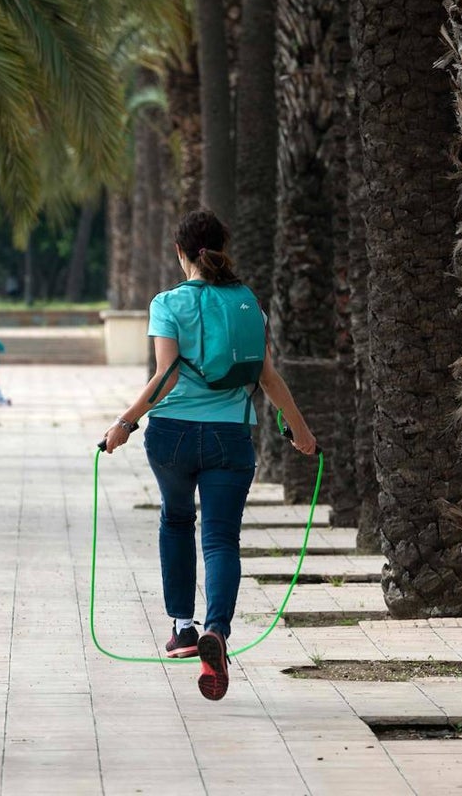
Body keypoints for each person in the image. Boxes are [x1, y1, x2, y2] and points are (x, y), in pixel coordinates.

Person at [101, 210, 316, 702]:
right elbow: (268, 378)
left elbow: (166, 376)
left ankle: (183, 628)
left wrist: (125, 423)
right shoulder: (248, 305)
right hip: (230, 437)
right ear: (223, 246)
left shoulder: (167, 304)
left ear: (180, 253)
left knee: (177, 521)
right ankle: (216, 629)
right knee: (221, 539)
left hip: (172, 436)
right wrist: (300, 431)